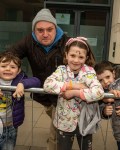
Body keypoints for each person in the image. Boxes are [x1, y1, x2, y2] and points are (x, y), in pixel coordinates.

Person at [5, 8, 69, 150]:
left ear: (56, 28)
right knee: (53, 118)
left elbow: (86, 63)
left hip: (64, 97)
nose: (45, 34)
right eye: (40, 30)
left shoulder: (67, 42)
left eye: (49, 29)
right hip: (43, 95)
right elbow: (8, 57)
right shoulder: (29, 40)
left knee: (56, 134)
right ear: (34, 31)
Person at [43, 37, 104, 150]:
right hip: (64, 123)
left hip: (85, 122)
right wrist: (75, 85)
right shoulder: (61, 70)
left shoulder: (89, 71)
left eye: (81, 57)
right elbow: (47, 85)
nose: (76, 60)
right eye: (72, 56)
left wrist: (74, 92)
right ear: (66, 55)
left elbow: (99, 92)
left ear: (86, 58)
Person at [0, 51, 41, 150]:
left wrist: (22, 84)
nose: (8, 69)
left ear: (18, 71)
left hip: (10, 126)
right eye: (4, 66)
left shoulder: (20, 79)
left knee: (7, 147)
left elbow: (37, 81)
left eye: (13, 67)